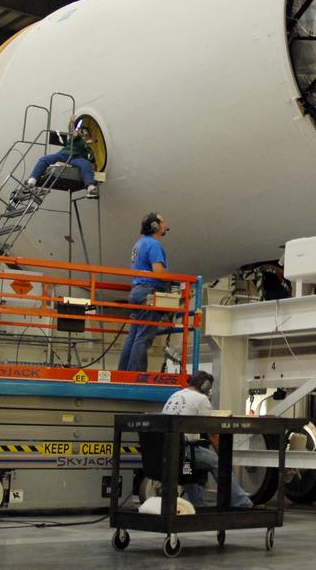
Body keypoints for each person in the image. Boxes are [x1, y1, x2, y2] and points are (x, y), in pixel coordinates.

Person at [160, 370, 253, 508]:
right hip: (183, 450)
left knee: (188, 466)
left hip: (166, 449)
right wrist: (224, 458)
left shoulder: (176, 394)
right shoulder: (201, 399)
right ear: (205, 385)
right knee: (217, 463)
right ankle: (242, 503)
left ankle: (197, 504)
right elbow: (213, 433)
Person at [117, 213, 171, 372]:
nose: (165, 225)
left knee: (134, 335)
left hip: (136, 291)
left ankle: (124, 371)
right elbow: (158, 271)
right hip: (148, 292)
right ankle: (136, 374)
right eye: (162, 222)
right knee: (144, 336)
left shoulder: (139, 244)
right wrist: (174, 280)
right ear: (155, 226)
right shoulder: (153, 245)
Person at [26, 118, 98, 197]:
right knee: (45, 159)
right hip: (64, 155)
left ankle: (90, 187)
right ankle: (31, 182)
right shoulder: (79, 139)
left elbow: (92, 165)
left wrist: (92, 169)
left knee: (85, 164)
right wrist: (71, 122)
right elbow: (72, 132)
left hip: (77, 159)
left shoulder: (90, 150)